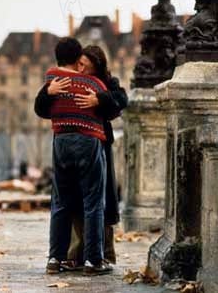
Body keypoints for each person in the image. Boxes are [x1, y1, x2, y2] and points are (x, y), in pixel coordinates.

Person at [34, 37, 113, 276]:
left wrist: (49, 92)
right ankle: (93, 261)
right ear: (78, 57)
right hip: (88, 140)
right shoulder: (94, 83)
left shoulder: (51, 79)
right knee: (93, 203)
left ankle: (55, 259)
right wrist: (99, 98)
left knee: (60, 203)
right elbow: (112, 103)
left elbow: (42, 110)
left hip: (61, 141)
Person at [66, 45, 128, 269]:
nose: (80, 68)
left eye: (85, 64)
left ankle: (104, 254)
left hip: (100, 145)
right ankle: (75, 254)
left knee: (103, 200)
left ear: (95, 64)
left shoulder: (108, 82)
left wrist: (99, 100)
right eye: (79, 63)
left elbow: (121, 101)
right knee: (75, 198)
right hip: (75, 145)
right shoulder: (69, 79)